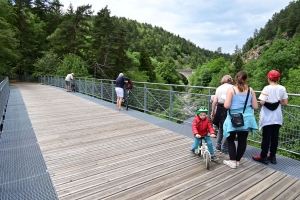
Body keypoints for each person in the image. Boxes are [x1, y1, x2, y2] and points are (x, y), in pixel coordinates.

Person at [223, 71, 258, 168]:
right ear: (246, 79)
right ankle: (237, 160)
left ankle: (232, 161)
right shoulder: (251, 90)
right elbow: (255, 106)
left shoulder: (231, 89)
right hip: (246, 119)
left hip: (234, 118)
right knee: (243, 140)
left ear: (236, 78)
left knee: (230, 139)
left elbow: (226, 105)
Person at [252, 70, 288, 165]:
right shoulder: (282, 88)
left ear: (268, 78)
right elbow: (285, 102)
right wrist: (277, 101)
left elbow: (262, 102)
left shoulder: (267, 88)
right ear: (278, 78)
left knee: (266, 137)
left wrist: (270, 101)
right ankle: (273, 157)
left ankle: (263, 156)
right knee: (275, 137)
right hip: (277, 116)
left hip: (268, 116)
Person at [211, 75, 233, 154]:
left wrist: (212, 112)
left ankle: (218, 145)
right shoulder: (233, 87)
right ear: (230, 80)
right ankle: (224, 147)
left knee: (221, 127)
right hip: (229, 108)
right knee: (228, 128)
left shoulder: (219, 88)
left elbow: (214, 102)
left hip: (220, 108)